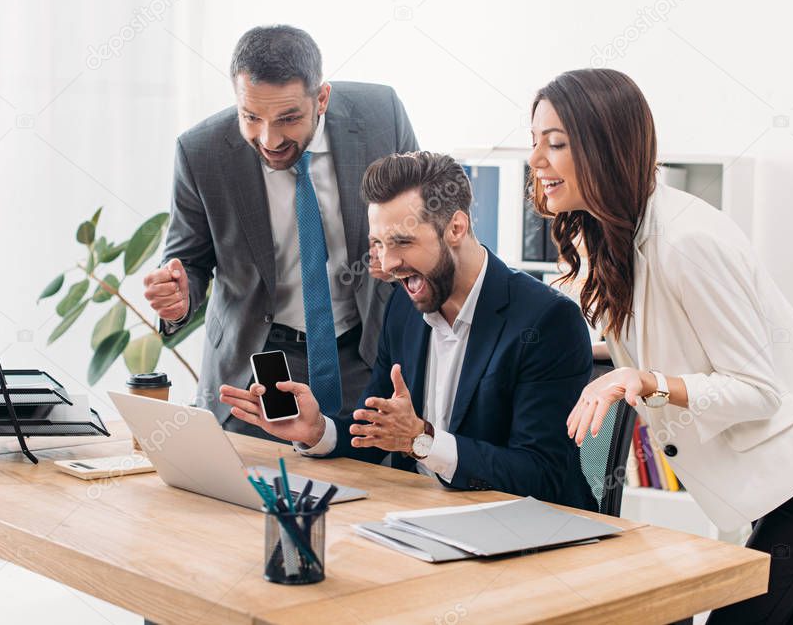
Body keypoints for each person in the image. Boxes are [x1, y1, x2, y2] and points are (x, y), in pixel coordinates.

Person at [535, 68, 793, 623]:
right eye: (535, 141)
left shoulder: (687, 240)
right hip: (788, 470)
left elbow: (758, 390)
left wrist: (644, 381)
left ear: (606, 147)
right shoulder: (611, 236)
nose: (537, 160)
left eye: (557, 143)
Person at [220, 151, 596, 508]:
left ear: (456, 228)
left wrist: (422, 441)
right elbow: (377, 429)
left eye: (403, 242)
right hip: (413, 517)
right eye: (380, 244)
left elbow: (542, 475)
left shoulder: (547, 321)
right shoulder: (403, 307)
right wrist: (317, 430)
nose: (389, 263)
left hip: (521, 538)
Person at [142, 25, 419, 438]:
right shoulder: (202, 151)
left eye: (288, 118)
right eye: (251, 117)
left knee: (372, 488)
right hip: (258, 363)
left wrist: (399, 252)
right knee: (253, 493)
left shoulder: (381, 114)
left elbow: (422, 215)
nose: (269, 139)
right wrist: (179, 297)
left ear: (321, 98)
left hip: (364, 351)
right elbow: (191, 262)